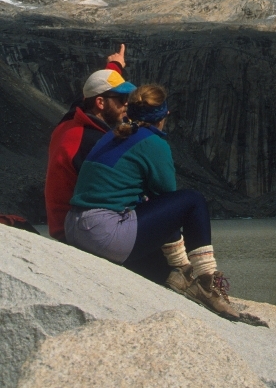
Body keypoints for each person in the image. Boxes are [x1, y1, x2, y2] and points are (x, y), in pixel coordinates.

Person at [65, 83, 239, 320]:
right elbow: (167, 196)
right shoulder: (153, 142)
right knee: (192, 200)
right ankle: (207, 283)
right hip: (104, 233)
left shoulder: (111, 135)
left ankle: (181, 273)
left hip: (75, 228)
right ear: (163, 115)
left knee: (161, 272)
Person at [45, 44, 134, 241]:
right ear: (101, 103)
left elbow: (90, 94)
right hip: (74, 230)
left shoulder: (72, 119)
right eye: (121, 98)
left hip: (62, 223)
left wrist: (114, 66)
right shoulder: (92, 142)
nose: (126, 103)